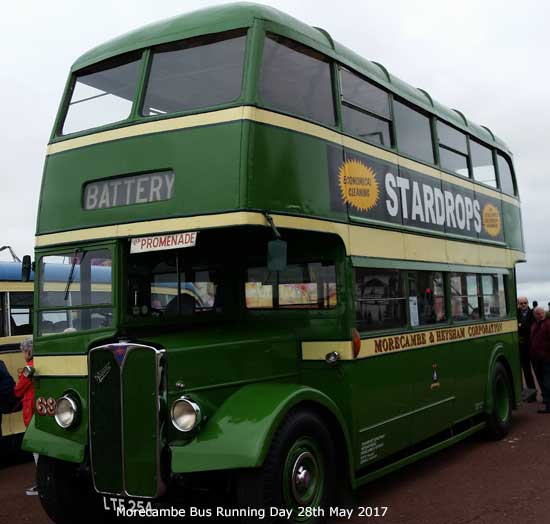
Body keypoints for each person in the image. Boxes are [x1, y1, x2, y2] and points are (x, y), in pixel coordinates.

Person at [14, 336, 37, 495]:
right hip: (38, 405)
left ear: (28, 351)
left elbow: (18, 390)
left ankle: (41, 483)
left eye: (23, 351)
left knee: (36, 449)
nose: (23, 353)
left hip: (31, 407)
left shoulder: (29, 368)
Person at [530, 307, 550, 413]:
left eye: (542, 312)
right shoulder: (533, 326)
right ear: (535, 315)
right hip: (536, 358)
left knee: (546, 381)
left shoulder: (548, 324)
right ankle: (547, 403)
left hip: (546, 357)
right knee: (542, 381)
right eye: (538, 313)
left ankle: (548, 405)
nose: (541, 314)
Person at [517, 297, 537, 401]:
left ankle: (545, 394)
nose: (524, 305)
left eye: (525, 303)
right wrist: (523, 326)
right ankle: (531, 394)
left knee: (537, 370)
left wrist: (521, 325)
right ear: (518, 304)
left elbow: (531, 327)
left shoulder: (533, 313)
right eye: (521, 303)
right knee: (526, 370)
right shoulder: (516, 313)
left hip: (532, 345)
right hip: (522, 346)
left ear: (528, 303)